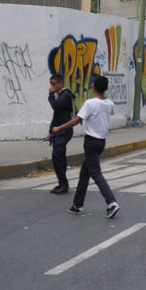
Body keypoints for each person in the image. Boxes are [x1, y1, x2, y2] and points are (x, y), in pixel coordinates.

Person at [52, 74, 120, 218]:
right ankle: (77, 205)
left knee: (95, 173)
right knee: (84, 173)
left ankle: (111, 203)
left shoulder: (90, 103)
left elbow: (76, 121)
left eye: (93, 83)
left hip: (90, 142)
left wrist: (59, 128)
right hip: (101, 142)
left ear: (94, 86)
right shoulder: (109, 103)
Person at [47, 73, 75, 195]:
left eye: (54, 84)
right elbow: (56, 116)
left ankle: (64, 184)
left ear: (60, 84)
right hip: (58, 131)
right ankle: (61, 183)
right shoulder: (61, 95)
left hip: (65, 130)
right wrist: (50, 132)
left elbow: (55, 107)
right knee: (59, 157)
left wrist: (51, 95)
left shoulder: (66, 95)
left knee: (57, 156)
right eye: (51, 84)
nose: (52, 87)